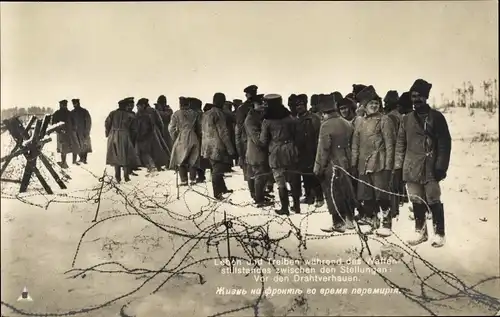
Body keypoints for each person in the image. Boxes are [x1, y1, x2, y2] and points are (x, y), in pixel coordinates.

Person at [394, 79, 451, 248]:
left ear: (426, 97)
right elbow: (400, 144)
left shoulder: (437, 117)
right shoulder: (406, 119)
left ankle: (439, 233)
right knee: (416, 199)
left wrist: (441, 166)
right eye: (413, 96)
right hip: (411, 166)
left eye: (419, 96)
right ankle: (420, 231)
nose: (416, 99)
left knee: (433, 199)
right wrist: (398, 167)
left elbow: (444, 143)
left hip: (431, 167)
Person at [351, 85, 396, 237]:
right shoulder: (359, 122)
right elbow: (355, 144)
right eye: (371, 103)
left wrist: (389, 165)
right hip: (363, 163)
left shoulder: (385, 120)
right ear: (364, 106)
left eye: (376, 103)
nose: (374, 105)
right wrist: (353, 163)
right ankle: (372, 220)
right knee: (366, 194)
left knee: (381, 194)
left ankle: (386, 223)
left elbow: (390, 144)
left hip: (380, 163)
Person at [314, 94, 356, 232]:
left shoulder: (325, 126)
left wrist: (318, 168)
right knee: (347, 191)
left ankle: (338, 222)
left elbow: (323, 150)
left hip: (332, 164)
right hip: (346, 162)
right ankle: (350, 220)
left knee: (332, 192)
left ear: (323, 111)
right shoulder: (346, 122)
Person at [260, 94, 301, 215]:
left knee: (279, 179)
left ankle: (285, 208)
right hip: (291, 150)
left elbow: (263, 140)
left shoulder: (267, 121)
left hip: (276, 152)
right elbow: (296, 134)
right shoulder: (290, 118)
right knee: (294, 178)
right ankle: (297, 206)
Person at [201, 92, 236, 200]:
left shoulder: (206, 113)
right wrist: (230, 149)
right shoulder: (219, 114)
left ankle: (223, 188)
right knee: (217, 169)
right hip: (217, 145)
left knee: (215, 167)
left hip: (207, 144)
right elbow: (223, 133)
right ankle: (217, 193)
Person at [295, 93, 324, 207]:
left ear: (306, 105)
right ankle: (309, 197)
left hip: (312, 150)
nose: (299, 107)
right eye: (297, 105)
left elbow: (318, 135)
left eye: (301, 105)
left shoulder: (314, 118)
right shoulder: (296, 119)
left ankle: (319, 197)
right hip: (301, 152)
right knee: (305, 175)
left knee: (315, 175)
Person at [244, 94, 273, 207]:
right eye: (259, 104)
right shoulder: (251, 119)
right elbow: (258, 139)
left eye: (263, 103)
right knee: (260, 175)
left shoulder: (259, 116)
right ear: (253, 105)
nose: (262, 105)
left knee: (259, 174)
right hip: (257, 151)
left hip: (257, 151)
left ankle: (258, 195)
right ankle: (259, 199)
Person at [105, 98, 140, 183]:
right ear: (126, 106)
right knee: (126, 156)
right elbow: (134, 129)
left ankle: (117, 177)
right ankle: (126, 176)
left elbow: (107, 124)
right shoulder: (130, 115)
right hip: (125, 135)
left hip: (113, 135)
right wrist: (133, 139)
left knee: (116, 156)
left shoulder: (112, 113)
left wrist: (108, 134)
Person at [169, 97, 202, 186]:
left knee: (181, 158)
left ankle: (184, 180)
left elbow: (171, 128)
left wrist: (175, 137)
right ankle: (193, 179)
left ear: (180, 104)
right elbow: (199, 127)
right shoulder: (194, 113)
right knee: (193, 158)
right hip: (193, 136)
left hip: (182, 137)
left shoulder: (176, 114)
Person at [235, 85, 258, 181]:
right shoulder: (259, 105)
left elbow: (239, 126)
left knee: (249, 165)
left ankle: (253, 188)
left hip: (246, 139)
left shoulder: (242, 108)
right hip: (257, 137)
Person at [51, 99, 81, 168]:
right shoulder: (70, 113)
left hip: (62, 133)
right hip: (69, 133)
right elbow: (75, 124)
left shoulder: (57, 113)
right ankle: (71, 161)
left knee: (63, 148)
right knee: (71, 146)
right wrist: (73, 130)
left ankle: (64, 162)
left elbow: (53, 124)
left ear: (61, 105)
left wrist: (59, 131)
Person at [70, 98, 92, 164]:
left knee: (84, 145)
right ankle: (81, 158)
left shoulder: (84, 111)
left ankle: (84, 159)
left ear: (78, 103)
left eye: (75, 103)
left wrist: (87, 130)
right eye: (73, 104)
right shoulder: (72, 112)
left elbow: (88, 121)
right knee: (78, 145)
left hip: (83, 131)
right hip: (76, 132)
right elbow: (70, 122)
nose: (74, 105)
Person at [154, 95, 174, 168]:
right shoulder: (159, 110)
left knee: (168, 147)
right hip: (159, 130)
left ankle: (169, 164)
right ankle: (159, 165)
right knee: (159, 148)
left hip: (166, 130)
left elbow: (166, 116)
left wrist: (158, 111)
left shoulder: (168, 110)